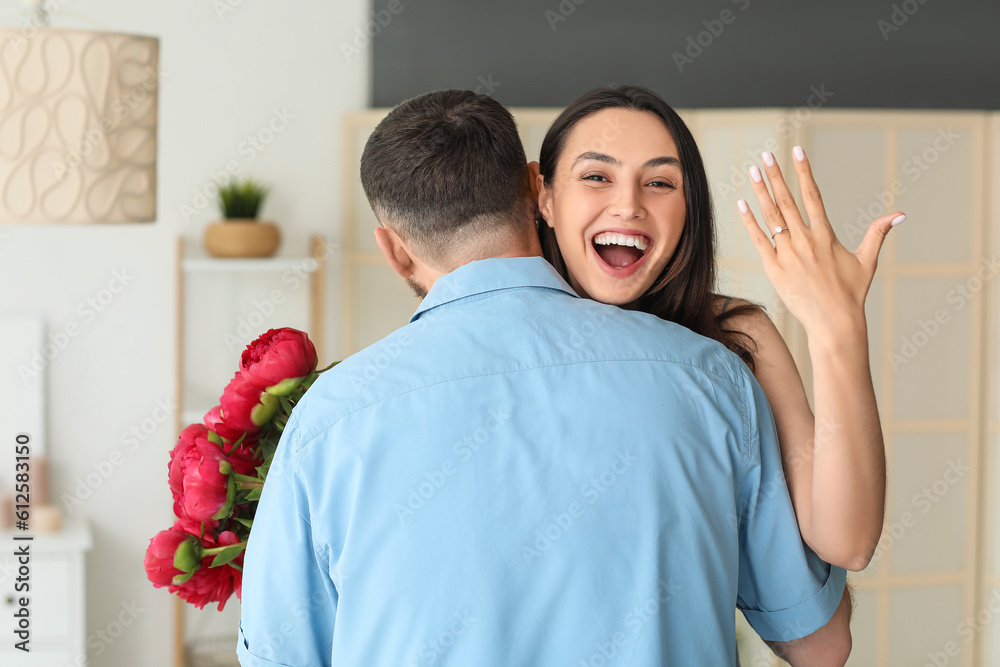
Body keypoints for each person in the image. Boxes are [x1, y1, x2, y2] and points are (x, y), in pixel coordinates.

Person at [237, 89, 850, 667]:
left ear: (393, 249)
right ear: (536, 188)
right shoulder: (710, 375)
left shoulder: (329, 420)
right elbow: (821, 647)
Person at [532, 86, 902, 572]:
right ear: (546, 198)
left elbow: (847, 542)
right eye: (597, 176)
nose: (628, 205)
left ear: (690, 212)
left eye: (661, 183)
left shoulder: (734, 334)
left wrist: (839, 328)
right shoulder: (507, 337)